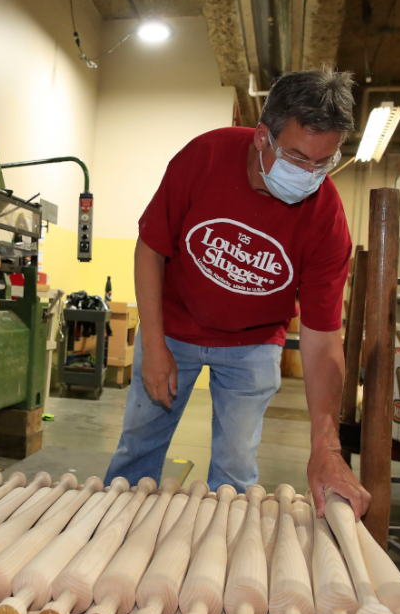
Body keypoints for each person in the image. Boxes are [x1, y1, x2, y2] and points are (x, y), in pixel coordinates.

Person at [105, 68, 371, 520]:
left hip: (252, 344)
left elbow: (323, 338)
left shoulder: (326, 218)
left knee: (236, 470)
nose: (309, 175)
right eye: (297, 157)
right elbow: (151, 248)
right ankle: (109, 538)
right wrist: (153, 346)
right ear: (262, 137)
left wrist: (326, 445)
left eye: (322, 163)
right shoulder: (205, 157)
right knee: (138, 448)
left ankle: (221, 568)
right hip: (173, 326)